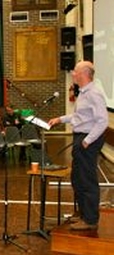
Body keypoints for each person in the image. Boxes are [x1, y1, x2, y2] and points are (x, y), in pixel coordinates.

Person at [49, 61, 109, 231]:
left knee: (87, 179)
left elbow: (102, 120)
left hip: (87, 140)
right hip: (81, 137)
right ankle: (83, 214)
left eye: (75, 72)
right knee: (77, 178)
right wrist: (60, 119)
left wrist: (87, 140)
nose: (73, 74)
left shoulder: (94, 93)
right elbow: (79, 116)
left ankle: (90, 219)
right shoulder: (83, 92)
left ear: (83, 74)